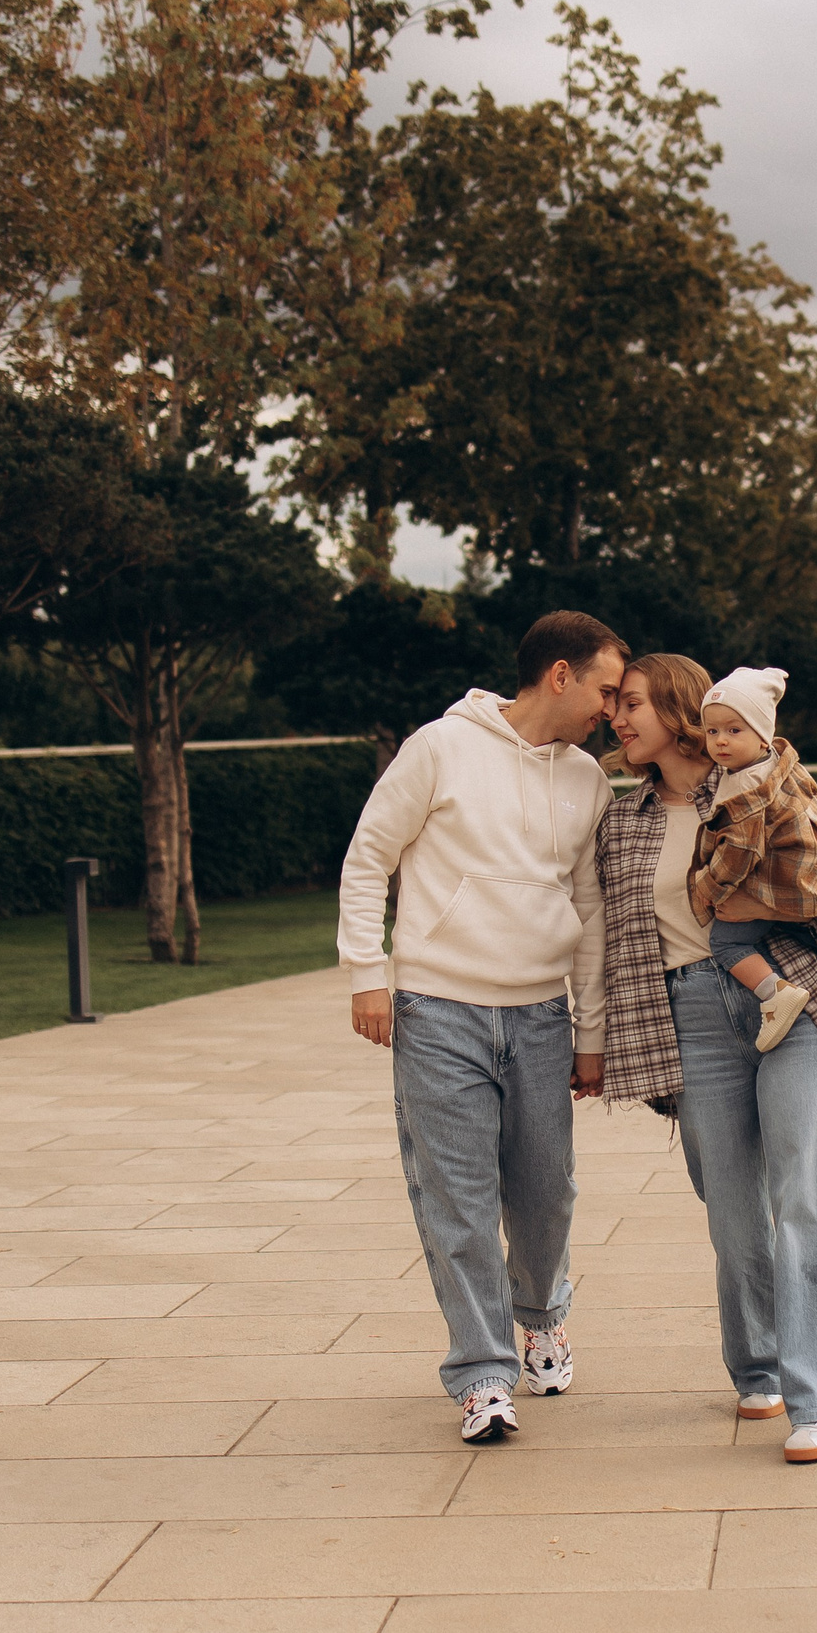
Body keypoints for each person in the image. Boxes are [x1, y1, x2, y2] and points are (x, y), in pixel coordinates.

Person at [338, 610, 628, 1445]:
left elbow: (589, 910)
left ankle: (541, 1319)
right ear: (561, 675)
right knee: (457, 1201)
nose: (611, 708)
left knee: (547, 1193)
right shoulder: (440, 746)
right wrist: (369, 972)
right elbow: (370, 855)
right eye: (606, 689)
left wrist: (591, 1032)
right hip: (437, 1010)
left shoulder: (588, 780)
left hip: (541, 1015)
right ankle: (482, 1373)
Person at [591, 653, 817, 1464]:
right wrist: (601, 1038)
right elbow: (607, 934)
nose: (619, 717)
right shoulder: (625, 818)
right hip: (691, 1010)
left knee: (807, 1190)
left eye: (633, 703)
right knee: (729, 1204)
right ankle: (759, 1365)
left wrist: (773, 893)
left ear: (679, 707)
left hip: (787, 990)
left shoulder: (758, 781)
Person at [690, 665, 817, 1052]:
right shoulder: (784, 767)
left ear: (763, 735)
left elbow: (741, 850)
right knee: (803, 926)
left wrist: (709, 888)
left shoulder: (744, 787)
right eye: (712, 731)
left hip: (766, 884)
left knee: (727, 944)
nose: (720, 742)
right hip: (800, 878)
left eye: (734, 730)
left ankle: (775, 994)